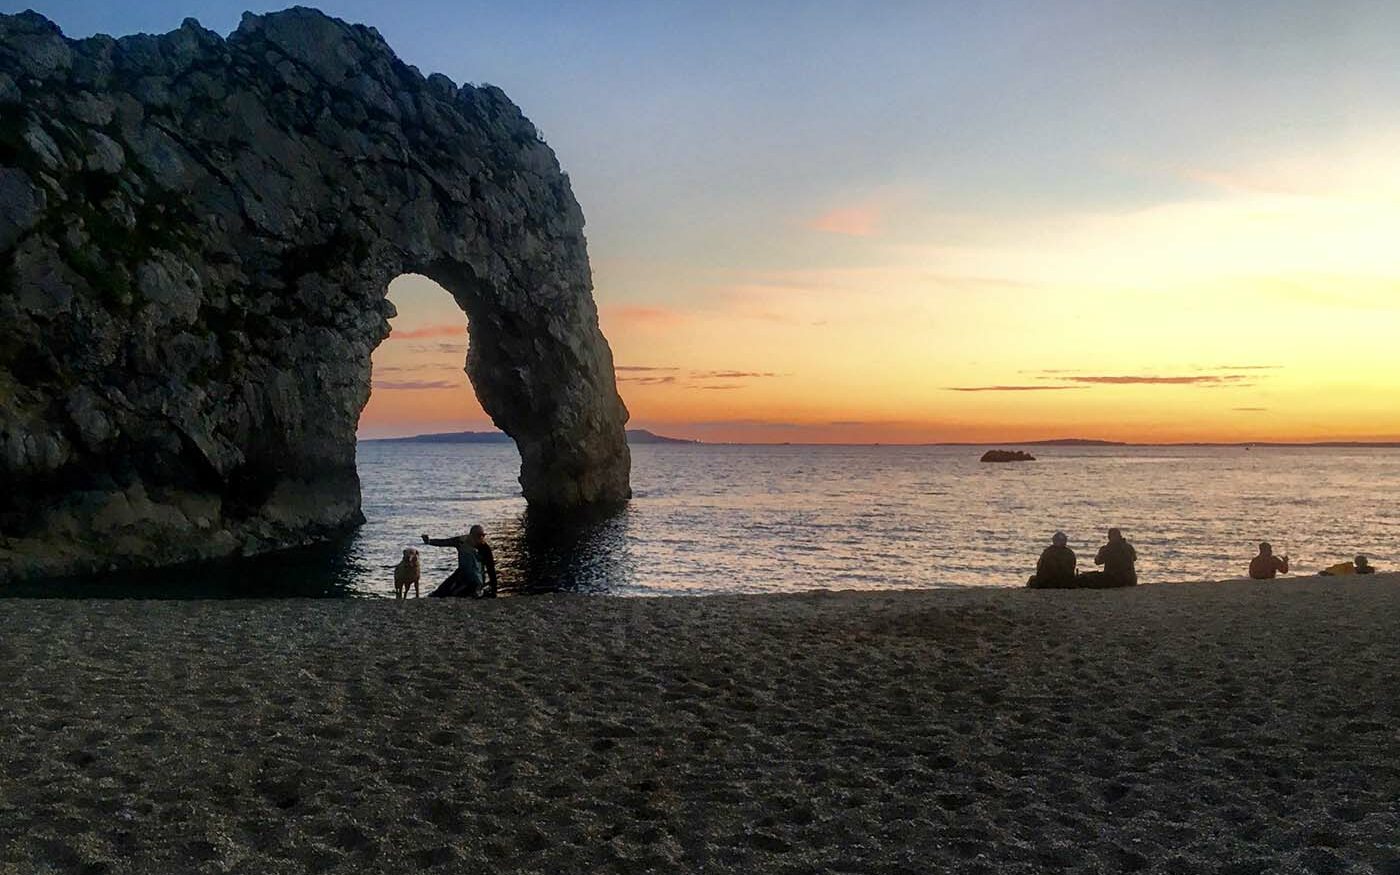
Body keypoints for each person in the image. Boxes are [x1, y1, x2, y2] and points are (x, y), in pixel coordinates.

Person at [422, 528, 490, 597]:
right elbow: (445, 542)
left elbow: (490, 567)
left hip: (475, 578)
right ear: (471, 536)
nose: (480, 539)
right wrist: (429, 541)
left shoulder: (484, 547)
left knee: (461, 592)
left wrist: (493, 588)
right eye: (478, 536)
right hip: (461, 573)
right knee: (442, 590)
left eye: (483, 536)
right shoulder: (461, 541)